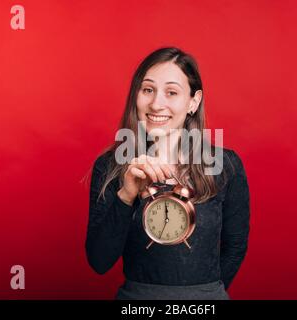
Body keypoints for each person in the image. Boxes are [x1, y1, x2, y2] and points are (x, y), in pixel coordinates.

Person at [85, 47, 250, 300]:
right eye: (147, 90)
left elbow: (235, 247)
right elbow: (99, 261)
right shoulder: (111, 166)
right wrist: (127, 194)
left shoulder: (225, 165)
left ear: (193, 102)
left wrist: (204, 295)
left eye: (171, 92)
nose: (156, 103)